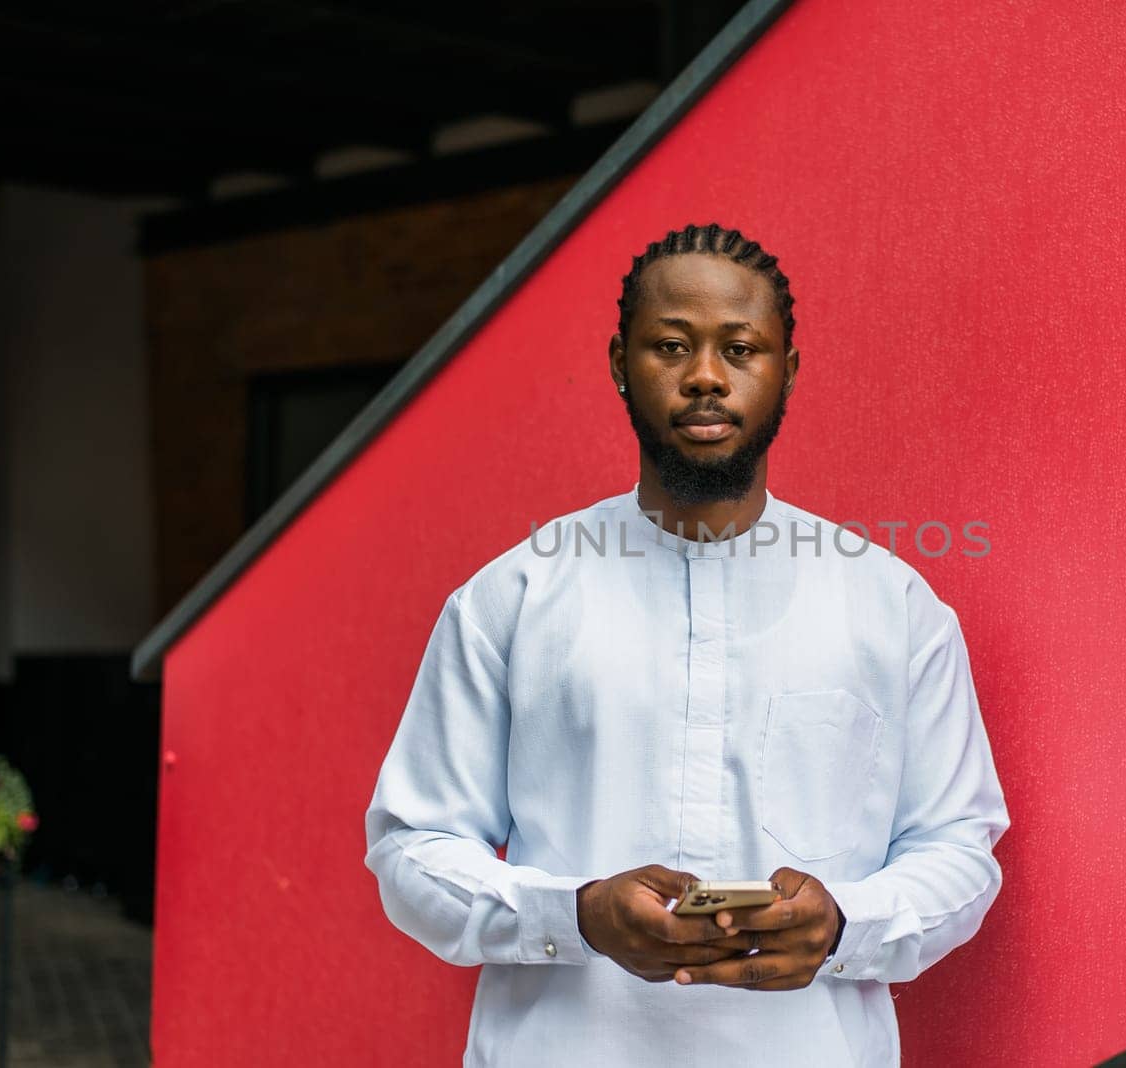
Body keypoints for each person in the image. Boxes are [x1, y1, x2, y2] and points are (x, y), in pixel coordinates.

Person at [363, 223, 1010, 1065]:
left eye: (740, 347)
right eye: (671, 345)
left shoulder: (893, 608)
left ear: (788, 369)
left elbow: (959, 853)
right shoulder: (514, 599)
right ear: (619, 363)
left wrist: (847, 925)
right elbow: (412, 849)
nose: (706, 376)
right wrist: (577, 914)